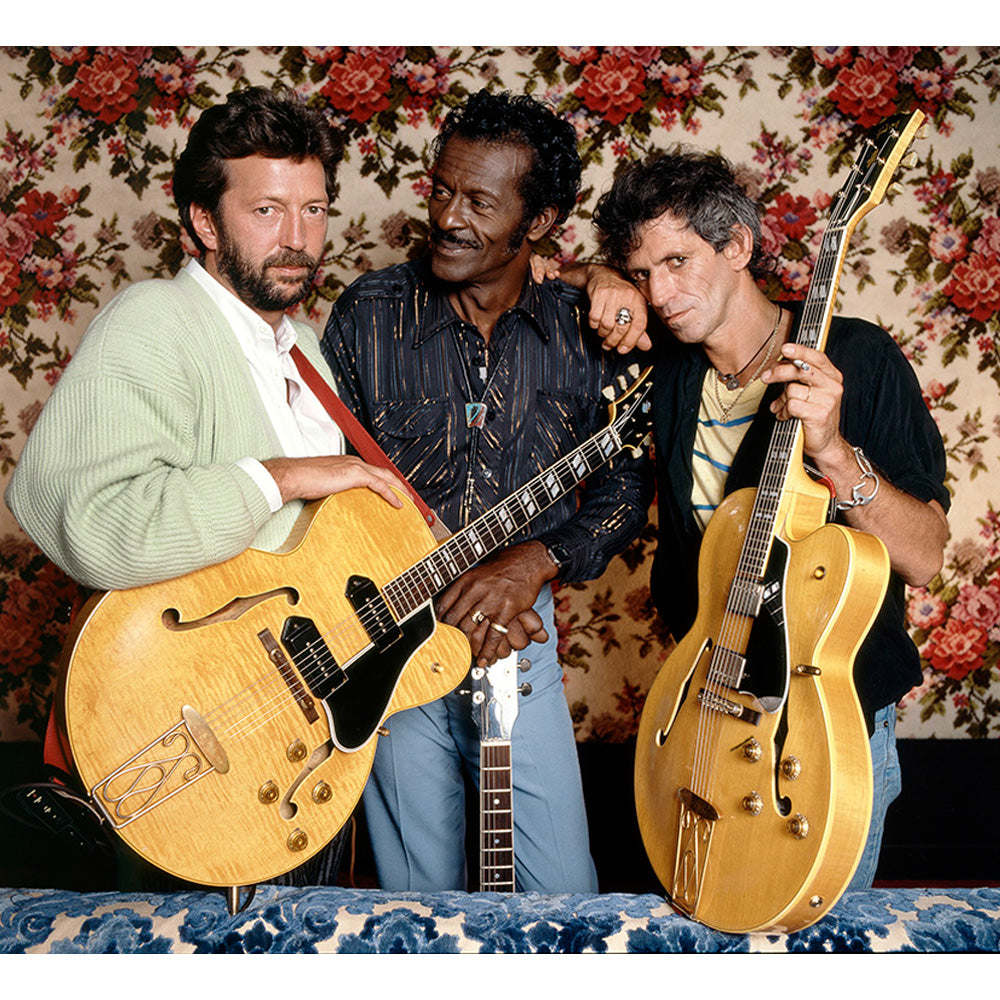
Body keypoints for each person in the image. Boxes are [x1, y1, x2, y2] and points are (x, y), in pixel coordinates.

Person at [5, 85, 407, 886]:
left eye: (315, 209)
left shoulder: (305, 352)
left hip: (292, 750)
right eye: (266, 210)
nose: (297, 239)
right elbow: (84, 520)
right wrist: (283, 474)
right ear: (201, 221)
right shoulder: (152, 320)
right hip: (180, 747)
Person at [588, 148, 950, 889]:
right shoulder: (672, 370)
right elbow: (526, 273)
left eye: (679, 262)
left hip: (823, 718)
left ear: (739, 247)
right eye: (643, 274)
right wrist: (595, 278)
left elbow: (926, 557)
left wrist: (836, 453)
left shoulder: (858, 357)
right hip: (704, 708)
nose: (660, 293)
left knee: (813, 947)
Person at [321, 89, 654, 894]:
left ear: (539, 223)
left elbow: (625, 483)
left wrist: (531, 564)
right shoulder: (367, 314)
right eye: (441, 189)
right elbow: (322, 487)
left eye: (479, 200)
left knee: (558, 896)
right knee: (415, 900)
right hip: (393, 643)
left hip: (519, 635)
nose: (448, 216)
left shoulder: (590, 329)